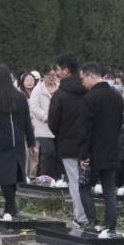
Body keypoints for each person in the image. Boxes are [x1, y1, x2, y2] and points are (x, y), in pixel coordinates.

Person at [0, 65, 36, 218]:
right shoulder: (20, 96)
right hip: (17, 141)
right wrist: (31, 142)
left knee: (5, 175)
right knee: (12, 175)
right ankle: (10, 206)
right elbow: (27, 121)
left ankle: (10, 205)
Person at [77, 62, 124, 235]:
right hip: (111, 149)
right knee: (109, 190)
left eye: (83, 79)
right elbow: (119, 124)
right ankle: (110, 226)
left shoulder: (89, 98)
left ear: (91, 76)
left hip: (92, 151)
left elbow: (85, 129)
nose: (82, 83)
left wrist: (83, 153)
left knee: (84, 186)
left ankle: (91, 221)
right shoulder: (116, 96)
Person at [49, 54, 91, 228]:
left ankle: (81, 217)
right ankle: (88, 215)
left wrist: (61, 134)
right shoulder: (88, 90)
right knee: (86, 181)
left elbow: (53, 122)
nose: (56, 72)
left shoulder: (60, 94)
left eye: (58, 69)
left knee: (74, 182)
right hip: (88, 143)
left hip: (67, 144)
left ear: (66, 71)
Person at [29, 69, 60, 179]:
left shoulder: (60, 88)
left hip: (59, 128)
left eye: (54, 75)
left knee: (58, 155)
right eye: (49, 75)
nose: (52, 77)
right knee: (48, 153)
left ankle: (56, 179)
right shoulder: (37, 90)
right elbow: (34, 107)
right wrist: (47, 117)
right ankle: (43, 178)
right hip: (43, 128)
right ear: (44, 76)